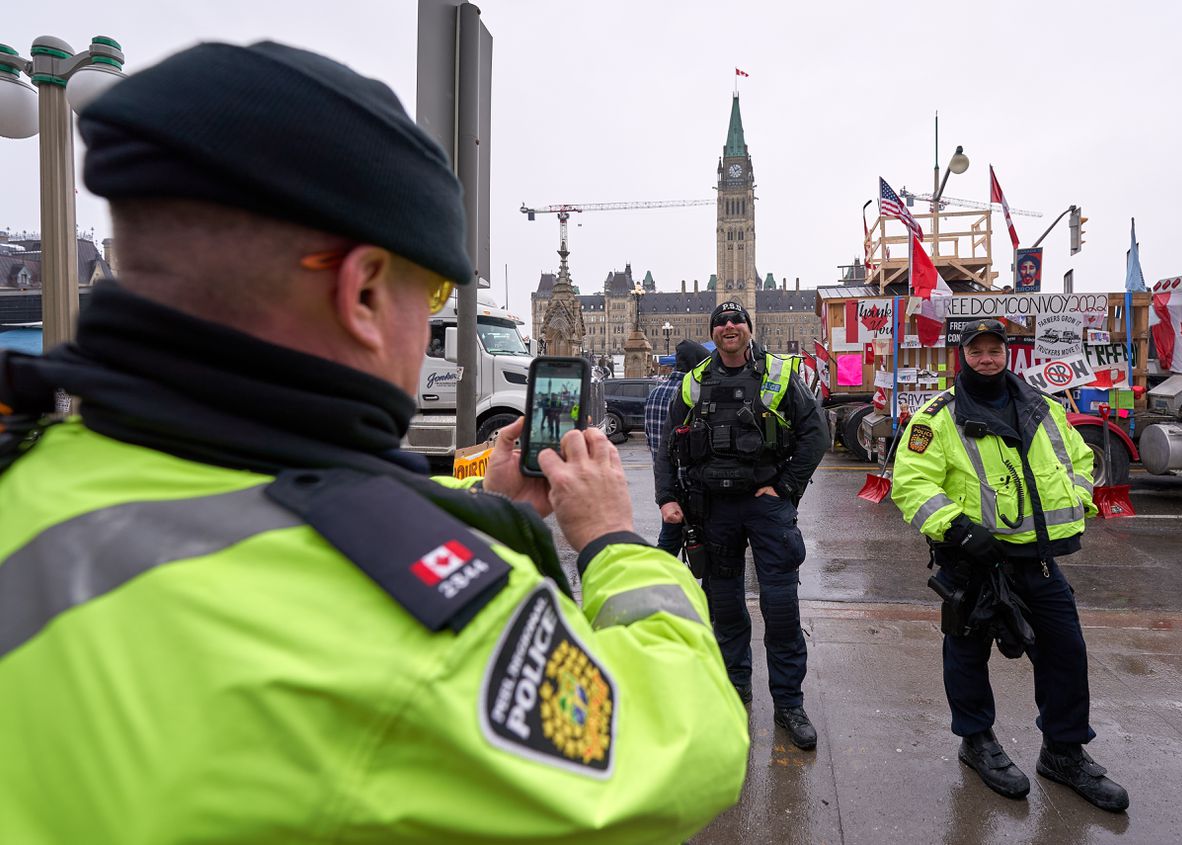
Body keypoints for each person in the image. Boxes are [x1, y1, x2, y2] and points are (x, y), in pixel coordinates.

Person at [0, 42, 749, 844]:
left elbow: (235, 504)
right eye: (425, 291)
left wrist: (473, 504)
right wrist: (609, 540)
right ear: (358, 291)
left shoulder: (32, 472)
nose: (428, 323)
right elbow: (686, 747)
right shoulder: (413, 632)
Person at [891, 319, 1129, 812]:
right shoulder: (937, 416)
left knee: (1065, 651)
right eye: (975, 351)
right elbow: (910, 482)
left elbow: (1080, 462)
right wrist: (959, 530)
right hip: (972, 560)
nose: (986, 359)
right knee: (967, 654)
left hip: (1037, 559)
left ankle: (1063, 751)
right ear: (964, 357)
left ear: (1006, 354)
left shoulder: (1041, 407)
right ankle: (977, 742)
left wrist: (1078, 499)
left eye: (993, 350)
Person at [653, 301, 828, 750]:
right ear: (713, 332)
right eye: (721, 322)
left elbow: (816, 434)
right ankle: (735, 693)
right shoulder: (695, 382)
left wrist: (786, 486)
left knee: (782, 610)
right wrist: (668, 497)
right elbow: (667, 447)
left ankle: (789, 703)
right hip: (714, 511)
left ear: (749, 328)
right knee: (726, 610)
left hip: (766, 507)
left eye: (737, 321)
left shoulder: (778, 373)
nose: (730, 327)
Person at [645, 339, 709, 555]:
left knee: (668, 545)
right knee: (707, 550)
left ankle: (660, 586)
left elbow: (652, 441)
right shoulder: (694, 395)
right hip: (692, 487)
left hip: (666, 487)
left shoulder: (654, 394)